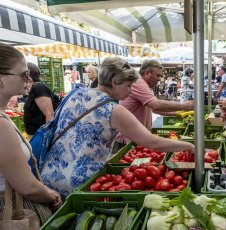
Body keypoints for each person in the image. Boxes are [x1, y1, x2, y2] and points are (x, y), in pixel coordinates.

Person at [41, 57, 195, 196]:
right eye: (128, 85)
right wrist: (187, 145)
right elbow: (151, 142)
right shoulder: (113, 110)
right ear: (114, 82)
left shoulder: (74, 94)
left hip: (49, 177)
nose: (130, 90)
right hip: (81, 183)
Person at [0, 43, 61, 226]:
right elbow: (26, 186)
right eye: (23, 75)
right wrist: (51, 195)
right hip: (10, 210)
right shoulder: (1, 124)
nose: (28, 80)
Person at [120, 60, 194, 130]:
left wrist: (177, 113)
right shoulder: (139, 83)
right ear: (147, 72)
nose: (159, 79)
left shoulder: (146, 86)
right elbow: (156, 105)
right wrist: (184, 105)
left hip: (137, 135)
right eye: (157, 75)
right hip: (128, 138)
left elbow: (154, 109)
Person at [23, 63, 56, 139]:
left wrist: (47, 138)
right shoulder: (33, 88)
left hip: (39, 135)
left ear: (28, 74)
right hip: (35, 134)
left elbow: (50, 114)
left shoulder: (38, 87)